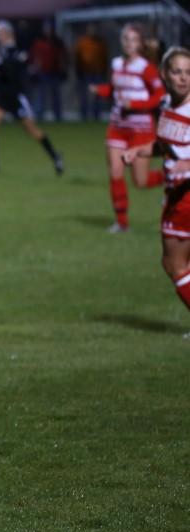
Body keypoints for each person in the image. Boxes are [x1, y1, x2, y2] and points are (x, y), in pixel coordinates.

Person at [124, 47, 190, 318]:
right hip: (176, 195)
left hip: (186, 200)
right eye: (177, 72)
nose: (184, 78)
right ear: (164, 74)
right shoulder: (165, 105)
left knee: (174, 264)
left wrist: (186, 166)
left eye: (189, 72)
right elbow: (166, 144)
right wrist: (140, 150)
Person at [91, 23, 166, 232]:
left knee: (140, 182)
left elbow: (159, 96)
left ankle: (173, 176)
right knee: (115, 171)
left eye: (133, 40)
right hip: (117, 127)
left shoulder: (146, 68)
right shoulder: (116, 64)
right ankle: (122, 223)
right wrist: (100, 90)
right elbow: (115, 91)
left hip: (141, 130)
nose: (129, 44)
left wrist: (135, 105)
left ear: (140, 44)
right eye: (126, 39)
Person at [0, 20, 64, 177]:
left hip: (15, 97)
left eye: (0, 33)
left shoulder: (16, 51)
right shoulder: (1, 51)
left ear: (8, 34)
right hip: (1, 97)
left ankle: (55, 156)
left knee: (32, 130)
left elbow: (12, 71)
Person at [29, 20, 67, 122]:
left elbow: (63, 56)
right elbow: (34, 57)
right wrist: (34, 69)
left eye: (50, 28)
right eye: (46, 28)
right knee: (41, 95)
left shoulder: (57, 42)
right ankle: (39, 115)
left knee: (56, 95)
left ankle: (58, 115)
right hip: (43, 72)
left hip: (55, 71)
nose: (48, 31)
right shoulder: (39, 42)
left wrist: (63, 69)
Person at [74, 25, 109, 122]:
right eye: (90, 29)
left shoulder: (100, 43)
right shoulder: (82, 42)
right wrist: (78, 71)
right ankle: (84, 114)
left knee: (98, 94)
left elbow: (104, 57)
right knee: (84, 95)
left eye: (94, 29)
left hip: (98, 71)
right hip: (85, 72)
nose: (92, 31)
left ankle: (96, 114)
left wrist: (104, 71)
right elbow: (77, 57)